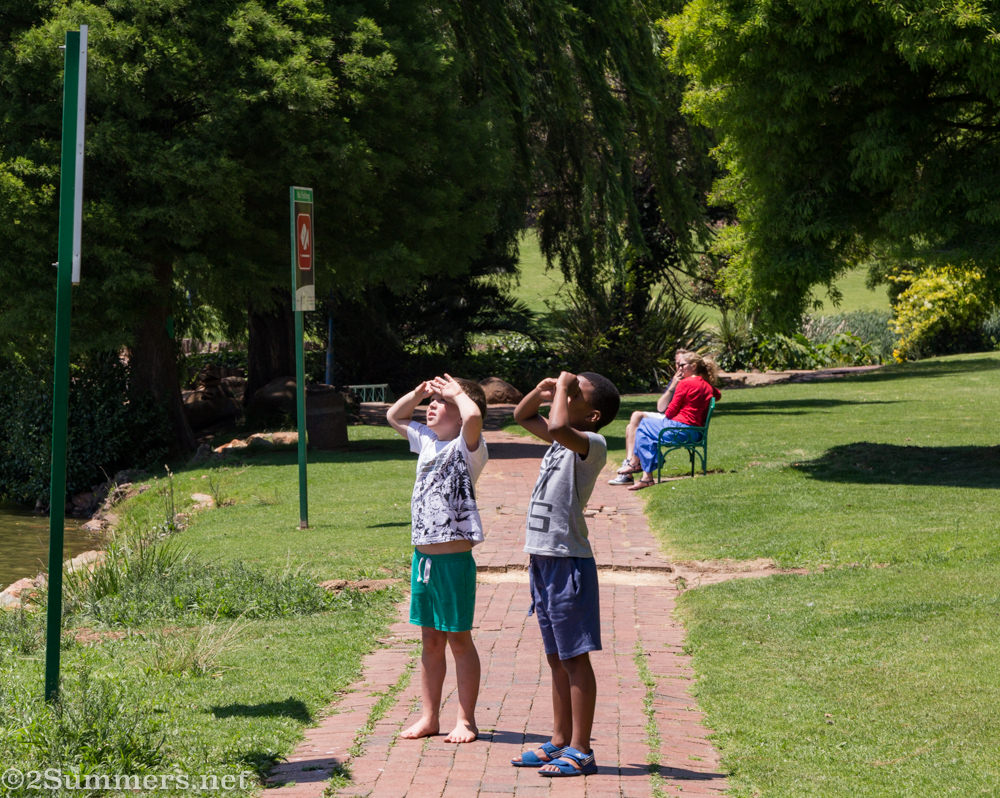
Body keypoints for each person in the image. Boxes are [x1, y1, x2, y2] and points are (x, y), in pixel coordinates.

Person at [509, 370, 620, 777]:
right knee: (556, 657)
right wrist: (542, 391)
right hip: (543, 558)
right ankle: (558, 741)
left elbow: (555, 423)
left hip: (569, 561)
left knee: (575, 658)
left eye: (575, 395)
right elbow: (523, 416)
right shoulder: (561, 440)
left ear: (591, 415)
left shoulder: (591, 443)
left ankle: (582, 749)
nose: (565, 396)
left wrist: (564, 382)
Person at [386, 374, 489, 744]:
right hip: (423, 561)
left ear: (459, 413)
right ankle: (429, 717)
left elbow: (475, 418)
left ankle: (466, 720)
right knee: (430, 641)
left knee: (458, 641)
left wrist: (459, 393)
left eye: (440, 403)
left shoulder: (467, 445)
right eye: (432, 402)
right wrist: (418, 393)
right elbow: (394, 417)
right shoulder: (427, 441)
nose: (432, 406)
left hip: (452, 563)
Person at [624, 352, 720, 490]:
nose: (679, 368)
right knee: (646, 431)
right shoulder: (707, 386)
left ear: (693, 366)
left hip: (680, 431)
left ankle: (641, 469)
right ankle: (644, 469)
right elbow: (718, 395)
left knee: (643, 425)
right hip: (697, 433)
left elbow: (669, 413)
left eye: (682, 365)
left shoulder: (685, 383)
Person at [608, 349, 691, 486]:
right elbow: (661, 406)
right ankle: (629, 468)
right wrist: (673, 385)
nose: (678, 368)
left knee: (636, 417)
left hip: (673, 421)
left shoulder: (690, 383)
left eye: (682, 364)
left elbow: (665, 410)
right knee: (631, 427)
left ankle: (630, 466)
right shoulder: (676, 380)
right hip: (667, 416)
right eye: (677, 364)